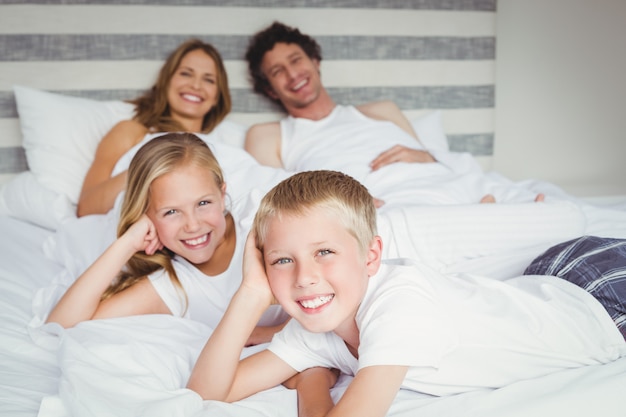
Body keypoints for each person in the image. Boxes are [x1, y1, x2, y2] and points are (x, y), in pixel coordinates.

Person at [187, 170, 625, 417]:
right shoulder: (315, 322)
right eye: (283, 260)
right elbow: (206, 393)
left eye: (324, 252)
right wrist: (249, 292)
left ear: (371, 255)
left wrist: (313, 382)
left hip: (602, 300)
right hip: (545, 281)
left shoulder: (398, 305)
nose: (304, 277)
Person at [243, 22, 544, 207]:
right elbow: (275, 197)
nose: (293, 74)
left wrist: (427, 156)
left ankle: (486, 214)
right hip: (380, 206)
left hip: (441, 186)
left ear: (315, 61)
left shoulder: (381, 111)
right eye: (277, 72)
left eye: (296, 60)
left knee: (552, 210)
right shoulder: (269, 135)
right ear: (270, 89)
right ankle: (487, 222)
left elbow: (436, 158)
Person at [47, 133, 288, 346]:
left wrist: (272, 333)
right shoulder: (172, 286)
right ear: (147, 216)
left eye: (203, 203)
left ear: (222, 196)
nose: (193, 225)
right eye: (171, 212)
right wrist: (128, 242)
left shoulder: (263, 225)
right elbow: (61, 325)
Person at [77, 38, 231, 217]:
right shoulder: (132, 132)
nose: (196, 85)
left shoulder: (225, 149)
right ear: (166, 81)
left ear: (217, 97)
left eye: (209, 80)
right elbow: (86, 208)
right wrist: (154, 165)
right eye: (186, 74)